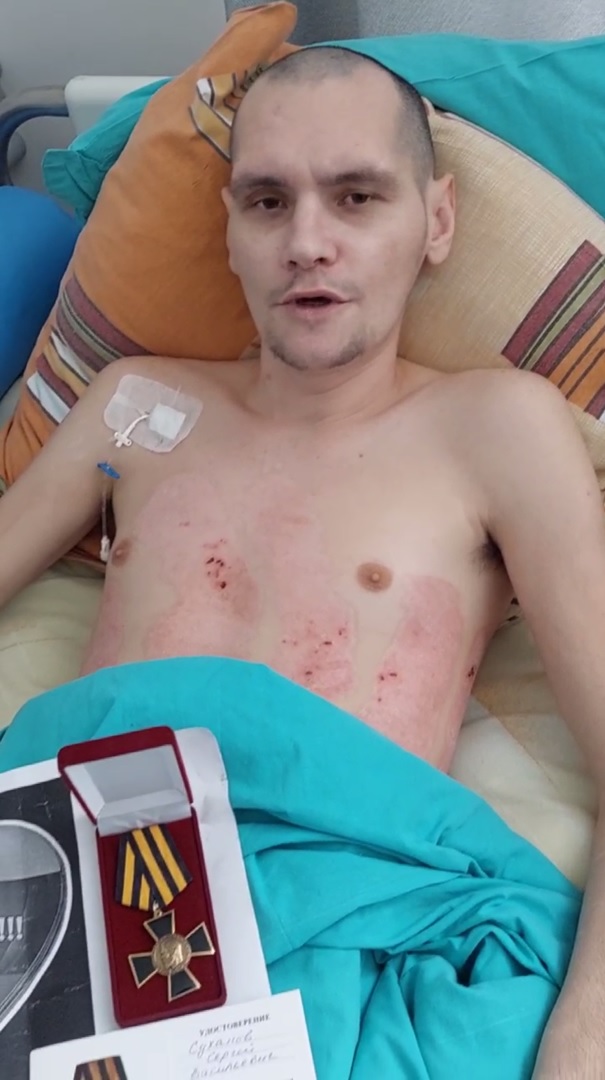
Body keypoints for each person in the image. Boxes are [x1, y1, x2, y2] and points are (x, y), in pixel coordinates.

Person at [1, 46, 605, 1072]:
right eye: (267, 202)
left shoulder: (499, 428)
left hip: (339, 934)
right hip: (78, 902)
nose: (306, 243)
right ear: (229, 232)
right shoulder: (136, 405)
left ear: (437, 222)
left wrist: (580, 1043)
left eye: (356, 197)